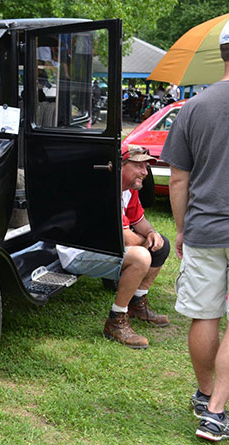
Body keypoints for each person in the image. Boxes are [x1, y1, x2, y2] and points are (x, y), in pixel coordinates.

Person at [161, 22, 229, 442]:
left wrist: (182, 230)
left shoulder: (193, 107)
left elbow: (177, 180)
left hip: (204, 228)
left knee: (205, 314)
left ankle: (207, 396)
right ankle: (218, 411)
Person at [56, 145, 170, 349]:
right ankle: (116, 320)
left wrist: (152, 233)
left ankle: (137, 303)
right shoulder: (105, 190)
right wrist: (146, 240)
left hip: (100, 249)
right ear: (121, 166)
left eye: (146, 166)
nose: (145, 172)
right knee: (141, 256)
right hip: (77, 254)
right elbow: (126, 239)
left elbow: (140, 222)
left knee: (161, 244)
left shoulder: (129, 189)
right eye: (138, 166)